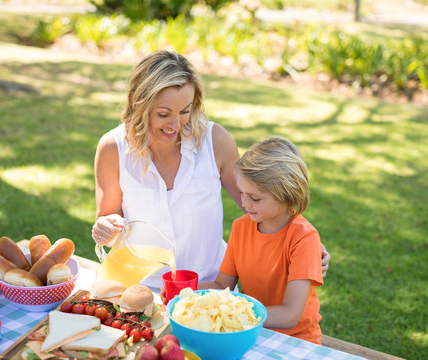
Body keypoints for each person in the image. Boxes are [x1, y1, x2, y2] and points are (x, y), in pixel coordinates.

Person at [91, 50, 330, 291]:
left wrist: (306, 243)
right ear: (135, 101)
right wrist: (105, 228)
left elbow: (262, 203)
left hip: (211, 290)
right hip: (140, 290)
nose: (176, 125)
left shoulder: (214, 141)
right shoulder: (113, 149)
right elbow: (109, 225)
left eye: (184, 111)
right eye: (164, 114)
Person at [198, 137, 323, 344]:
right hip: (249, 332)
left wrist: (236, 311)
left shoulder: (304, 238)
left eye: (255, 198)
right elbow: (222, 285)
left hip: (297, 340)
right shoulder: (241, 227)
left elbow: (290, 314)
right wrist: (184, 292)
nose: (244, 203)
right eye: (241, 193)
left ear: (287, 196)